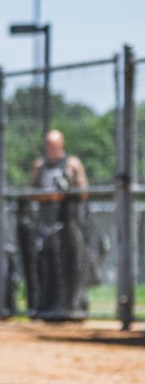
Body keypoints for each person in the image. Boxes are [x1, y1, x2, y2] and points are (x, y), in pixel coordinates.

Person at [19, 129, 91, 320]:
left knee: (69, 267)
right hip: (44, 224)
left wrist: (67, 191)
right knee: (43, 267)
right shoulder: (39, 165)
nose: (49, 148)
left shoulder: (72, 164)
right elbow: (31, 193)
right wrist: (48, 195)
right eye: (47, 145)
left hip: (68, 225)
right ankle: (43, 308)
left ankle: (70, 309)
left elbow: (84, 193)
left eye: (53, 145)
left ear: (61, 144)